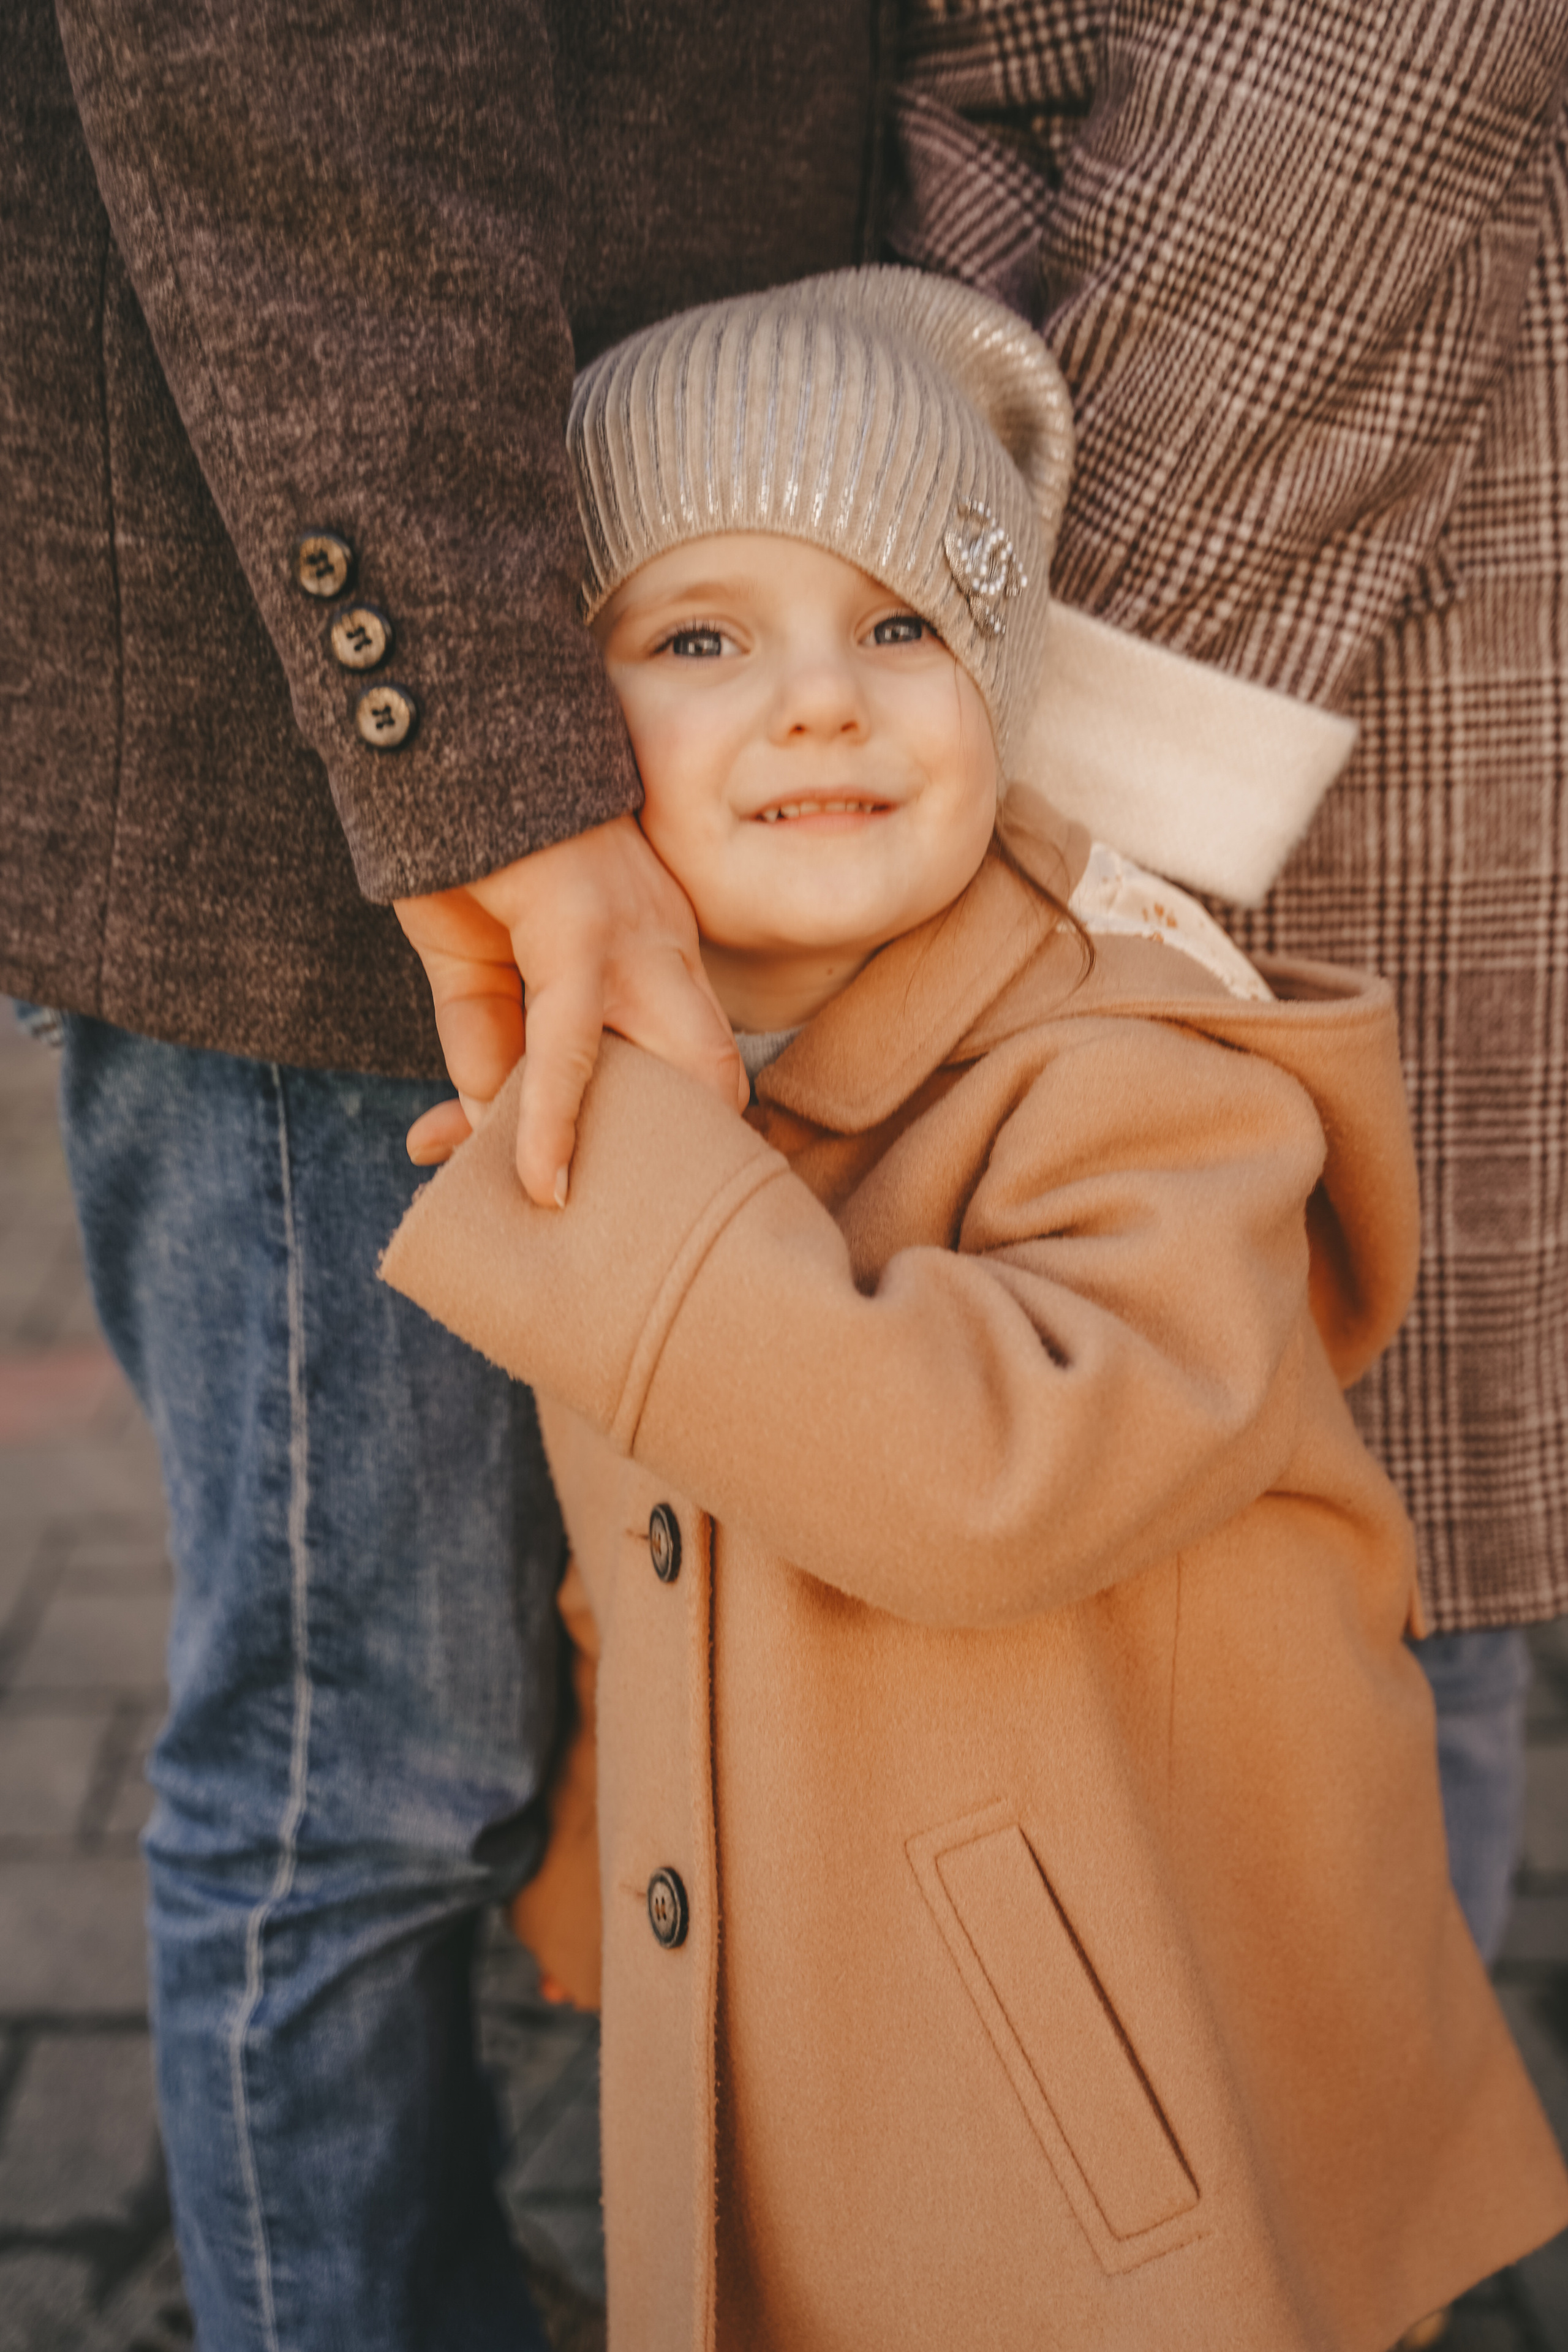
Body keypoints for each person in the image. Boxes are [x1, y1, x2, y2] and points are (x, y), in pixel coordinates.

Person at [383, 270, 1568, 2352]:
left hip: (1130, 2133)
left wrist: (625, 1187)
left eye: (904, 626)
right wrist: (605, 1833)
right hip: (827, 2038)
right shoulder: (677, 1088)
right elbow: (646, 1551)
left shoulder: (1152, 1081)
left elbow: (986, 1480)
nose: (824, 701)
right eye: (701, 637)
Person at [1, 4, 884, 2344]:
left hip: (635, 776)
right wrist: (483, 766)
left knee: (529, 1722)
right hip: (354, 842)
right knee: (372, 1765)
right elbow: (282, 67)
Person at [883, 0, 1568, 1969]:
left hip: (1255, 610)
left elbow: (1361, 80)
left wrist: (1031, 778)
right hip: (1199, 537)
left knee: (1338, 1549)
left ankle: (1348, 2155)